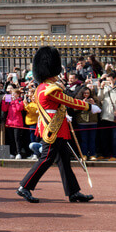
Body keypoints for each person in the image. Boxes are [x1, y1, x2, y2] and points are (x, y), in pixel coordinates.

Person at [16, 46, 94, 204]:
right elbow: (69, 101)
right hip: (53, 129)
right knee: (46, 158)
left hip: (56, 126)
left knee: (64, 160)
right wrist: (89, 107)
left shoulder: (41, 87)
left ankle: (73, 192)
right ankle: (24, 186)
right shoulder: (50, 88)